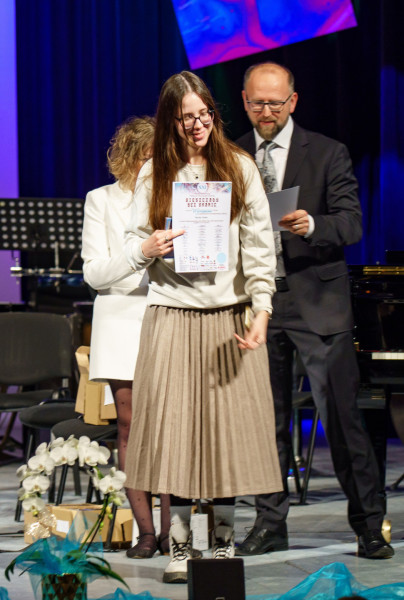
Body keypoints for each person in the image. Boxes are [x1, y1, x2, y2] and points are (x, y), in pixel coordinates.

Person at [124, 70, 282, 583]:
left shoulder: (238, 167)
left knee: (225, 437)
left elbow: (260, 247)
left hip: (227, 317)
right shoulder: (154, 174)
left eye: (204, 114)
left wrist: (261, 311)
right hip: (172, 315)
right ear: (168, 121)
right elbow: (130, 242)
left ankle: (221, 545)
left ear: (214, 113)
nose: (197, 125)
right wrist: (149, 247)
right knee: (174, 436)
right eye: (185, 117)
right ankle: (179, 547)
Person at [234, 61, 394, 560]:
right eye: (258, 103)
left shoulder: (326, 152)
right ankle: (269, 523)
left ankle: (369, 525)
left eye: (275, 103)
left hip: (316, 303)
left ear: (293, 101)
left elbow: (352, 224)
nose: (266, 112)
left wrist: (313, 225)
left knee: (342, 420)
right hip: (257, 304)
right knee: (267, 424)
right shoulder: (232, 155)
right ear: (244, 101)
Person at [81, 116, 171, 558]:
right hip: (120, 319)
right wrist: (140, 254)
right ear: (132, 157)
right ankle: (145, 532)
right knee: (131, 425)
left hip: (167, 316)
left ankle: (174, 530)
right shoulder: (101, 200)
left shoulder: (173, 197)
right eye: (149, 157)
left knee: (169, 427)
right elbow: (96, 274)